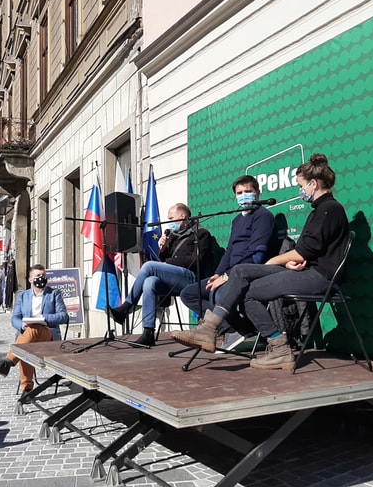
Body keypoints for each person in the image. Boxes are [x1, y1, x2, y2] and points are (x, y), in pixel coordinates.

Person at [172, 154, 349, 370]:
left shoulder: (329, 210)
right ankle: (276, 346)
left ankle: (212, 329)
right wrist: (294, 261)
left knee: (240, 274)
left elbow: (303, 252)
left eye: (301, 186)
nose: (300, 191)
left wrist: (276, 261)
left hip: (321, 278)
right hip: (308, 271)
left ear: (313, 184)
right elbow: (311, 251)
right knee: (246, 288)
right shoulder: (321, 210)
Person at [178, 174, 281, 335]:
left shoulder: (263, 216)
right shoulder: (237, 220)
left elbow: (257, 256)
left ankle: (235, 330)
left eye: (248, 191)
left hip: (247, 273)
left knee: (218, 294)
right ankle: (234, 329)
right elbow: (230, 251)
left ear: (258, 193)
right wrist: (218, 274)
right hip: (228, 273)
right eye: (239, 193)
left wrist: (225, 277)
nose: (243, 196)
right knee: (189, 293)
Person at [108, 203, 215, 347]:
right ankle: (148, 332)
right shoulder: (173, 236)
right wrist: (163, 249)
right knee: (150, 282)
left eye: (171, 218)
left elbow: (198, 260)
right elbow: (164, 262)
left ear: (182, 216)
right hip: (174, 279)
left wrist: (171, 262)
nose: (169, 222)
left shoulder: (200, 233)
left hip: (191, 278)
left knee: (148, 266)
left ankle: (126, 307)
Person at [0, 264, 68, 392]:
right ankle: (26, 389)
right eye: (38, 276)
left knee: (33, 330)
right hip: (28, 336)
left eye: (43, 276)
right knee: (26, 346)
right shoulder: (22, 296)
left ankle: (8, 362)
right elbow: (15, 317)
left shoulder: (54, 294)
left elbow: (63, 316)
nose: (41, 278)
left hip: (48, 335)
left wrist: (44, 318)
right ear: (30, 279)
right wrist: (21, 324)